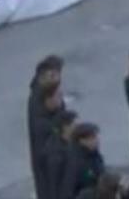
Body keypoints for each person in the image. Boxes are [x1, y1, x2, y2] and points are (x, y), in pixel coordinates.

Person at [29, 55, 65, 199]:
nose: (58, 78)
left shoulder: (49, 92)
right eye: (53, 74)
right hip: (47, 158)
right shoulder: (38, 98)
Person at [61, 123, 107, 199]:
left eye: (96, 137)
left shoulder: (96, 156)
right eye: (93, 138)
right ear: (82, 141)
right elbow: (68, 190)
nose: (97, 140)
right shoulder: (74, 161)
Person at [43, 109, 79, 199]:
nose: (77, 127)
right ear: (65, 127)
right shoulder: (55, 151)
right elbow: (54, 182)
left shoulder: (71, 143)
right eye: (74, 124)